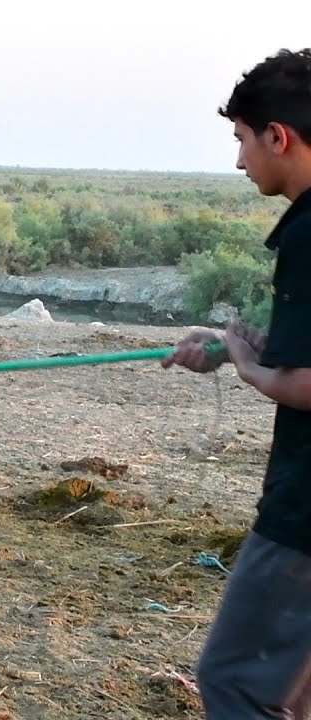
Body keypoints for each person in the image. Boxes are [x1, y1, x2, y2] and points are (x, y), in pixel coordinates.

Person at [161, 48, 311, 718]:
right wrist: (231, 348)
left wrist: (249, 369)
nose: (240, 160)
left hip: (305, 521)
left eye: (242, 140)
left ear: (278, 136)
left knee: (236, 682)